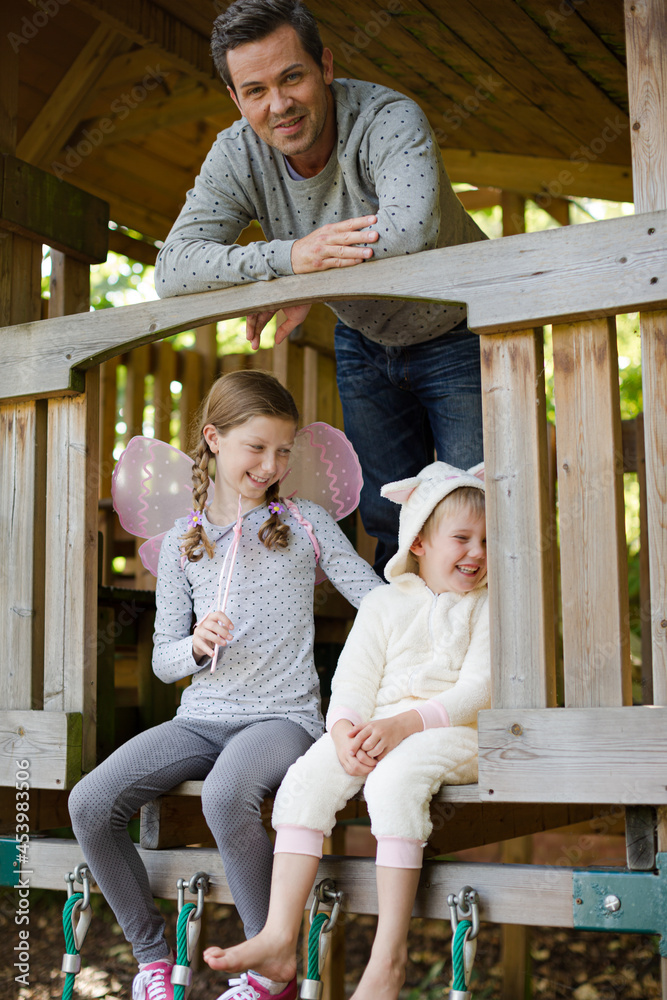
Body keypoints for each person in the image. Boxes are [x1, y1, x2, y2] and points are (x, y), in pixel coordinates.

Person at [68, 370, 381, 1000]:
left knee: (226, 793)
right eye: (256, 447)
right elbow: (163, 661)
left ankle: (270, 965)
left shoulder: (306, 521)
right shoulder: (182, 541)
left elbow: (374, 601)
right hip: (199, 718)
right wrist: (194, 642)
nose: (272, 464)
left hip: (283, 718)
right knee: (90, 802)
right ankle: (153, 962)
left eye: (284, 450)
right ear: (213, 439)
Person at [154, 0, 487, 575]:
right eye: (255, 90)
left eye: (292, 77)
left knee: (478, 514)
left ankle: (493, 663)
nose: (278, 104)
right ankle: (406, 662)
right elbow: (174, 268)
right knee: (389, 520)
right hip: (363, 340)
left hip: (459, 328)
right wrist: (290, 260)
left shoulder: (388, 117)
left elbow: (410, 228)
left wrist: (307, 277)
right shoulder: (237, 152)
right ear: (236, 100)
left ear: (325, 67)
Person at [203, 460, 490, 1000]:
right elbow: (353, 685)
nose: (476, 552)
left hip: (454, 731)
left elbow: (479, 691)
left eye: (485, 540)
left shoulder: (486, 607)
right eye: (461, 538)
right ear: (421, 542)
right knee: (308, 777)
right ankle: (280, 937)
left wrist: (404, 725)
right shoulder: (383, 604)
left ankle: (388, 960)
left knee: (393, 780)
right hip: (376, 729)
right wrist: (342, 734)